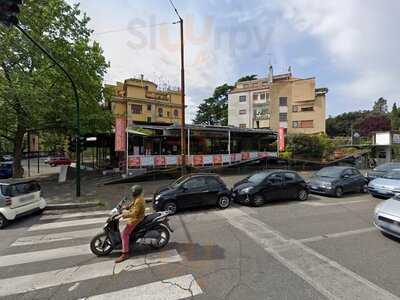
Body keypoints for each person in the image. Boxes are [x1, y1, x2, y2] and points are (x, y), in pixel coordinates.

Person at [115, 185, 146, 263]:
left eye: (133, 191)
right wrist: (124, 208)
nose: (132, 193)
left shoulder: (139, 200)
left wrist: (123, 215)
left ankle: (125, 254)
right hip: (135, 216)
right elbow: (132, 205)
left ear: (135, 192)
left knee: (124, 234)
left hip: (137, 219)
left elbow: (134, 214)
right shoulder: (137, 198)